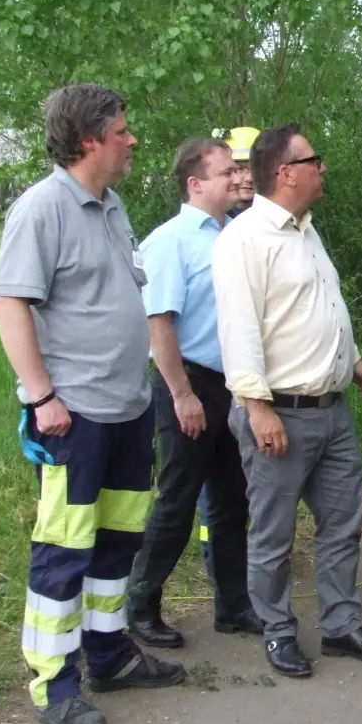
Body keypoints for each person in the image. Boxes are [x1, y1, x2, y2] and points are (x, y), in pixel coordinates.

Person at [0, 84, 184, 724]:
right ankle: (54, 683)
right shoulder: (42, 209)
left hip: (127, 409)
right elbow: (11, 303)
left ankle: (109, 656)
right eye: (123, 131)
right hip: (74, 418)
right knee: (63, 550)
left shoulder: (112, 206)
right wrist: (42, 396)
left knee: (117, 542)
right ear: (88, 140)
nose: (132, 140)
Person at [212, 122, 362, 677]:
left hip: (332, 410)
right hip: (279, 415)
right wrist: (256, 406)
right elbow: (240, 330)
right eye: (313, 160)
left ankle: (341, 624)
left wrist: (353, 365)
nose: (323, 168)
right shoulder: (244, 240)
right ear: (286, 171)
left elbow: (313, 315)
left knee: (343, 523)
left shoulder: (307, 232)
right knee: (273, 535)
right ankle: (277, 631)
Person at [124, 138, 261, 649]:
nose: (237, 179)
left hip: (232, 385)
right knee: (179, 499)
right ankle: (139, 604)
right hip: (190, 382)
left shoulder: (229, 234)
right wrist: (182, 396)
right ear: (195, 183)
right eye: (226, 172)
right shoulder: (171, 241)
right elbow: (159, 325)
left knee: (230, 499)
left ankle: (233, 605)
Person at [196, 125, 260, 576]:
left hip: (246, 372)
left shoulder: (259, 223)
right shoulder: (214, 229)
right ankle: (216, 558)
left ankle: (237, 557)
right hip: (209, 372)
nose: (243, 178)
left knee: (241, 476)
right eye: (234, 169)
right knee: (216, 481)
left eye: (249, 168)